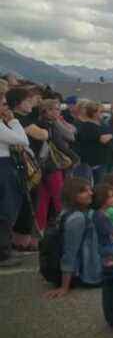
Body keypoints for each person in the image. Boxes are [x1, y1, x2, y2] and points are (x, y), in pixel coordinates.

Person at [44, 178, 102, 298]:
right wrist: (64, 287)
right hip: (86, 275)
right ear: (72, 195)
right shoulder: (77, 218)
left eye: (90, 189)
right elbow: (70, 253)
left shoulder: (66, 212)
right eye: (84, 191)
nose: (91, 193)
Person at [7, 88, 43, 251]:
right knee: (25, 202)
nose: (31, 103)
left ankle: (23, 239)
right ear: (17, 103)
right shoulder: (18, 119)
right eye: (27, 101)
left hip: (29, 164)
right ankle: (19, 241)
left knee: (30, 202)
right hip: (21, 165)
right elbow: (39, 135)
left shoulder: (27, 118)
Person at [35, 99, 77, 232]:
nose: (56, 112)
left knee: (43, 198)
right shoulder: (48, 125)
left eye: (58, 109)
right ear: (44, 111)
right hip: (52, 165)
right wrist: (74, 157)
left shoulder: (43, 123)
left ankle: (40, 228)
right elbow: (61, 142)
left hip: (43, 165)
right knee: (59, 197)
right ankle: (65, 227)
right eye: (52, 109)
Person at [0, 93, 29, 267]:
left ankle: (5, 248)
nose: (6, 108)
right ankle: (3, 252)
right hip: (3, 166)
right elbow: (22, 140)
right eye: (3, 104)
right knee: (6, 209)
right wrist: (14, 121)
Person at [75, 101, 113, 184]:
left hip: (105, 160)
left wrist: (110, 135)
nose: (103, 114)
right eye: (101, 112)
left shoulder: (101, 124)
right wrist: (111, 135)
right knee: (97, 185)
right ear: (93, 113)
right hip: (94, 162)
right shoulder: (87, 126)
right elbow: (103, 139)